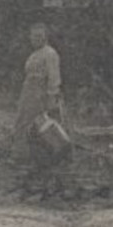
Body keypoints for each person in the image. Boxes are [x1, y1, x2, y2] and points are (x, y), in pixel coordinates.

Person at [10, 22, 68, 176]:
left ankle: (29, 158)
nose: (36, 39)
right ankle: (23, 156)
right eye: (33, 36)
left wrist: (51, 95)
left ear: (45, 37)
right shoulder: (34, 54)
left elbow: (54, 77)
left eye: (39, 36)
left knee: (37, 124)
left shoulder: (50, 53)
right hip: (29, 91)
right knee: (22, 121)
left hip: (40, 92)